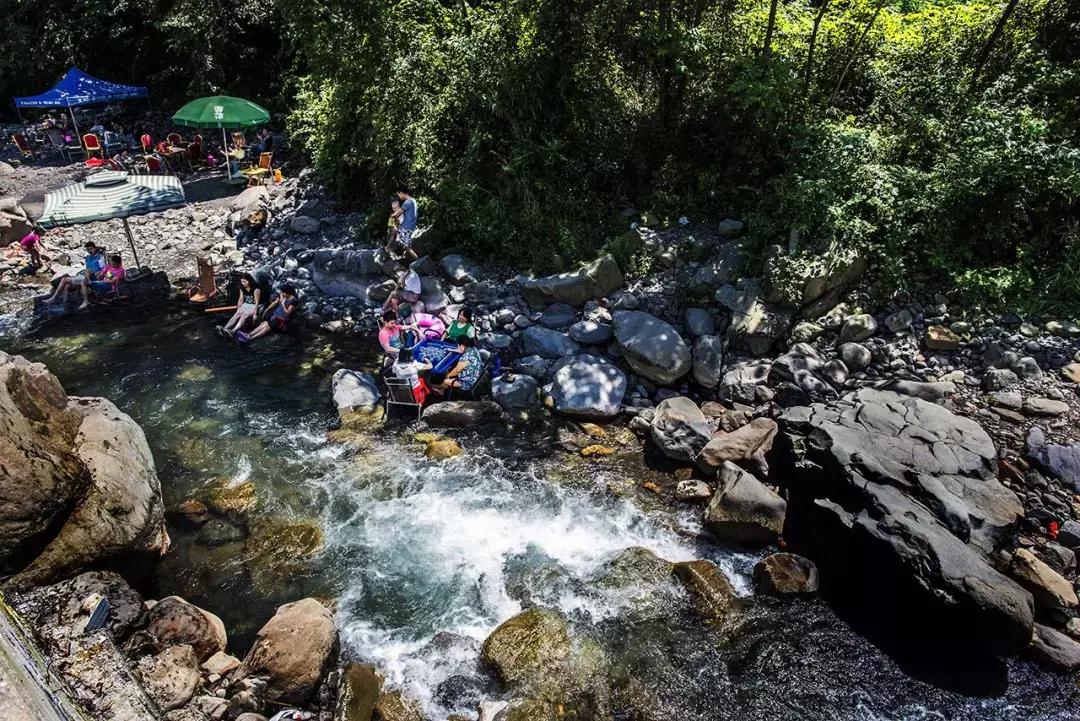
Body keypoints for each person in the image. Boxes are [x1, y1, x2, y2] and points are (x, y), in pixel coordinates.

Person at [394, 187, 419, 261]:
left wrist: (395, 222)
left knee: (407, 247)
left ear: (402, 193)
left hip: (406, 227)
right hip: (411, 226)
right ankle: (409, 262)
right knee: (405, 246)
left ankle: (418, 262)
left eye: (399, 195)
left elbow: (397, 214)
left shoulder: (407, 202)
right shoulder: (413, 200)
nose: (399, 197)